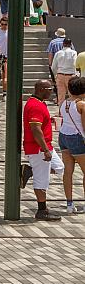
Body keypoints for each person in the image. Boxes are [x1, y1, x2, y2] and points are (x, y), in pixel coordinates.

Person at [21, 80, 64, 221]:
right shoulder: (35, 106)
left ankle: (30, 170)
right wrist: (45, 149)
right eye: (49, 89)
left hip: (45, 146)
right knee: (42, 180)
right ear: (41, 89)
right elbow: (35, 129)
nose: (51, 92)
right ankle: (42, 210)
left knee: (59, 167)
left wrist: (48, 120)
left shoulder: (39, 103)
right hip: (38, 148)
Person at [58, 77, 85, 214]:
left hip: (63, 136)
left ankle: (69, 203)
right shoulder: (82, 105)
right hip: (77, 138)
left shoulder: (64, 103)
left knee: (68, 172)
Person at [51, 38, 78, 105]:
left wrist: (55, 75)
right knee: (72, 95)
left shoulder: (58, 53)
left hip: (60, 74)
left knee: (60, 96)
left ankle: (60, 112)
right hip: (70, 75)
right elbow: (74, 64)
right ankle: (71, 112)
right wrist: (76, 74)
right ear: (70, 44)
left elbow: (53, 66)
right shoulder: (73, 53)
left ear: (63, 44)